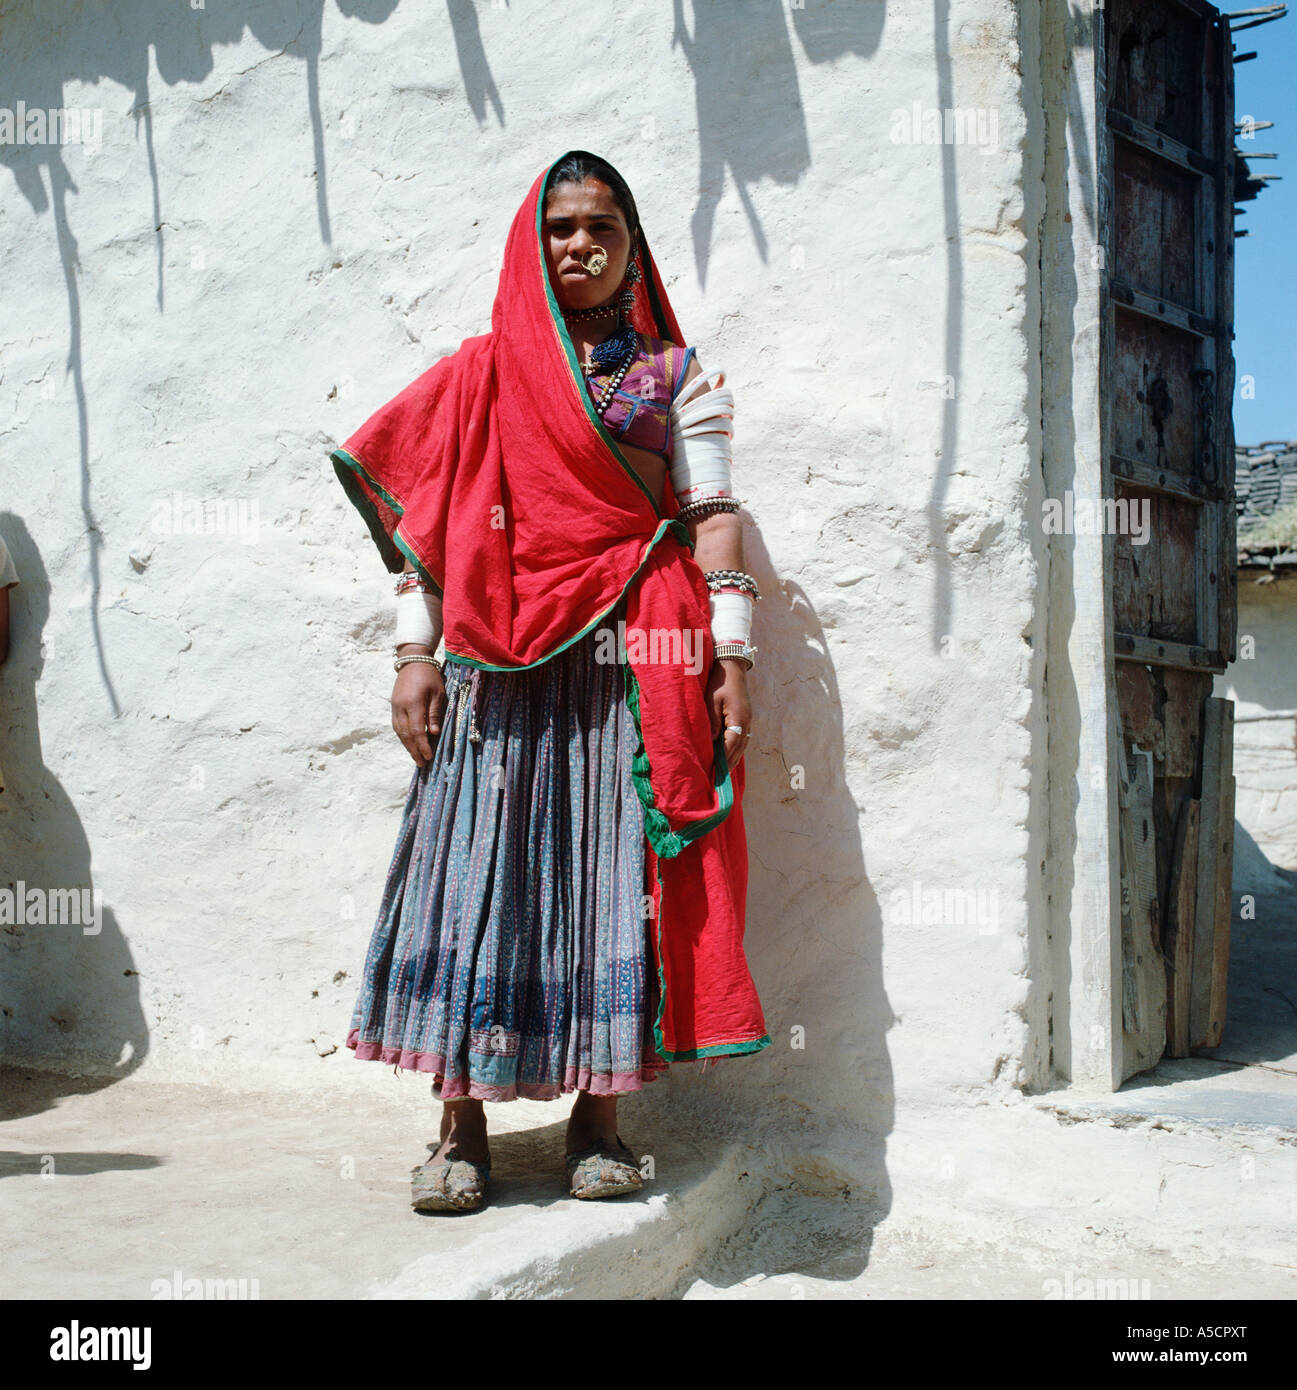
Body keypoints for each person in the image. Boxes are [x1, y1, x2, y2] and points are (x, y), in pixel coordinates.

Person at [331, 150, 768, 1212]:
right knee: (477, 876)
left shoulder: (676, 376)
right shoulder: (478, 377)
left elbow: (711, 516)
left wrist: (733, 653)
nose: (579, 245)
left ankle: (598, 1122)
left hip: (630, 661)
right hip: (495, 659)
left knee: (611, 881)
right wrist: (411, 653)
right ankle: (459, 1127)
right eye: (561, 227)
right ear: (536, 244)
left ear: (631, 249)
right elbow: (422, 538)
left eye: (600, 228)